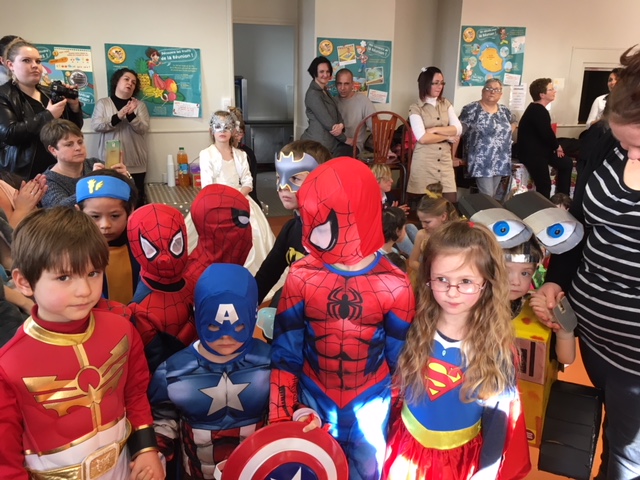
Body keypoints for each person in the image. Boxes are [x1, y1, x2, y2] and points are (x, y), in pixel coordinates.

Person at [269, 157, 415, 479]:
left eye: (320, 226)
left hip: (372, 405)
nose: (309, 238)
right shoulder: (302, 276)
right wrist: (281, 417)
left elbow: (401, 364)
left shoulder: (395, 284)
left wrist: (398, 423)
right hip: (312, 401)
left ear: (356, 214)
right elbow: (285, 353)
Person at [533, 46, 640, 480]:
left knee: (628, 457)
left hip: (635, 358)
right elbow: (578, 227)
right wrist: (557, 279)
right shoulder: (606, 145)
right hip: (595, 338)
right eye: (624, 143)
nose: (630, 155)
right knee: (613, 439)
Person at [0, 207, 163, 479]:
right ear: (24, 282)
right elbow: (5, 458)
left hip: (123, 468)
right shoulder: (9, 366)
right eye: (64, 277)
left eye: (93, 273)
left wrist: (146, 449)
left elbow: (135, 394)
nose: (84, 290)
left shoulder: (122, 330)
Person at [383, 220, 530, 480]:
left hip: (458, 463)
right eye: (441, 279)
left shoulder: (496, 349)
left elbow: (498, 421)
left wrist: (487, 472)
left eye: (465, 281)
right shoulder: (413, 327)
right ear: (428, 277)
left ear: (487, 282)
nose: (452, 292)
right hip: (404, 451)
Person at [149, 263, 270, 479]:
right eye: (214, 326)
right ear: (198, 315)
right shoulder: (173, 371)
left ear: (253, 315)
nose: (226, 337)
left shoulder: (271, 362)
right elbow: (162, 420)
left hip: (257, 470)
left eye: (238, 326)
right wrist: (156, 454)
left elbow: (284, 414)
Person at [197, 110, 275, 276]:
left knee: (253, 233)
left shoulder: (241, 155)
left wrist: (236, 198)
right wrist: (225, 202)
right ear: (211, 130)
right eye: (218, 126)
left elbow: (248, 181)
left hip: (240, 199)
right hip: (216, 203)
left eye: (227, 126)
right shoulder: (206, 154)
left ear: (233, 130)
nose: (222, 130)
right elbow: (207, 185)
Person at [254, 139, 330, 304]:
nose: (282, 186)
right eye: (278, 177)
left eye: (295, 178)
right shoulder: (291, 229)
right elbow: (267, 275)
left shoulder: (333, 234)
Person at [0, 38, 83, 180]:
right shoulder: (4, 95)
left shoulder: (49, 93)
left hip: (58, 171)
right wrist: (48, 115)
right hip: (23, 175)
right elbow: (9, 134)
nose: (35, 66)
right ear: (10, 65)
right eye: (26, 60)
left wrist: (74, 106)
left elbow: (73, 130)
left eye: (38, 61)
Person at [127, 203, 196, 373]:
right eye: (151, 250)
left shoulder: (192, 282)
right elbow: (157, 364)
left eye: (176, 245)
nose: (165, 259)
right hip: (172, 378)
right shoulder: (140, 310)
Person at [76, 169, 140, 305]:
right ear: (79, 212)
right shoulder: (72, 251)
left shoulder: (141, 247)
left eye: (115, 216)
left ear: (130, 211)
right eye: (95, 217)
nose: (105, 225)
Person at [92, 67, 150, 205]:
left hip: (135, 163)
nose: (130, 83)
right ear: (117, 81)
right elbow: (96, 125)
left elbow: (143, 128)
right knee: (111, 201)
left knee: (135, 200)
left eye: (134, 82)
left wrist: (130, 115)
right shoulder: (103, 103)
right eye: (126, 79)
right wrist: (118, 116)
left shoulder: (140, 106)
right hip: (108, 164)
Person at [40, 119, 129, 208]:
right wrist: (90, 184)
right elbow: (60, 210)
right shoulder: (47, 181)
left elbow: (127, 199)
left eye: (80, 142)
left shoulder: (95, 163)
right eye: (69, 144)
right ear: (53, 150)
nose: (78, 148)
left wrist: (125, 179)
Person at [407, 66, 462, 204]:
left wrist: (434, 129)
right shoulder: (415, 108)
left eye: (442, 83)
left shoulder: (446, 104)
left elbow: (458, 129)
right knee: (427, 205)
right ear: (425, 83)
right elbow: (423, 138)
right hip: (424, 161)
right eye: (436, 83)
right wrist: (447, 136)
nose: (440, 86)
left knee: (450, 201)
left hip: (444, 160)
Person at [459, 78, 517, 199]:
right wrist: (452, 156)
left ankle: (482, 210)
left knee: (493, 195)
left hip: (500, 159)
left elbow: (514, 121)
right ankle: (483, 211)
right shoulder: (471, 109)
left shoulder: (504, 110)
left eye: (496, 90)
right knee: (487, 195)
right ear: (482, 91)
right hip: (481, 160)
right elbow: (458, 131)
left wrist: (506, 134)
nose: (492, 92)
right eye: (489, 88)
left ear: (501, 94)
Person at [517, 78, 573, 199]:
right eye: (551, 89)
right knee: (544, 185)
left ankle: (562, 199)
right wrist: (557, 146)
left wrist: (555, 147)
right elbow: (546, 133)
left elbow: (546, 135)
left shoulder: (538, 109)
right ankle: (544, 208)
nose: (554, 91)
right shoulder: (538, 110)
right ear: (542, 95)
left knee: (566, 163)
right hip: (532, 154)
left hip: (542, 151)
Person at [300, 56, 352, 157]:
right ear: (314, 73)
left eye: (328, 71)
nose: (325, 75)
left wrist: (341, 125)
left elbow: (336, 112)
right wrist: (346, 140)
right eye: (321, 72)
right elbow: (328, 123)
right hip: (317, 145)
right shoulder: (313, 94)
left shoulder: (324, 90)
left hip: (329, 143)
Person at [408, 183, 459, 273]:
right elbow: (412, 262)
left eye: (427, 222)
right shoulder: (422, 234)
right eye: (421, 221)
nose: (423, 226)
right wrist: (429, 272)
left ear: (443, 216)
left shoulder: (453, 236)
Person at [371, 163, 417, 257]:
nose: (392, 181)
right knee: (399, 231)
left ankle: (423, 254)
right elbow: (376, 222)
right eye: (387, 179)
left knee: (410, 227)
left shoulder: (388, 196)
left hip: (387, 230)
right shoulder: (371, 200)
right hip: (377, 234)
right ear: (377, 180)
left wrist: (395, 212)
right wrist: (393, 214)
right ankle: (417, 258)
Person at [335, 68, 375, 153]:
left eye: (346, 84)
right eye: (339, 84)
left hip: (353, 145)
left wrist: (386, 150)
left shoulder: (363, 101)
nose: (342, 88)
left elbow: (375, 127)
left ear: (352, 84)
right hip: (334, 144)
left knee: (340, 153)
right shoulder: (333, 102)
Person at [229, 106, 259, 204]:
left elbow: (250, 183)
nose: (236, 136)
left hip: (244, 198)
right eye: (234, 132)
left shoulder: (246, 154)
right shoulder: (213, 152)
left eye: (240, 133)